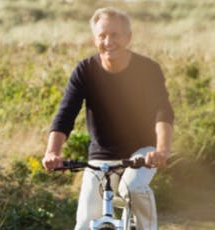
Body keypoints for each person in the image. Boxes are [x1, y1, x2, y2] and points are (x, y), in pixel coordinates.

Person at [40, 7, 174, 230]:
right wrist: (52, 152)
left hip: (141, 152)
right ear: (95, 39)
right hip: (100, 157)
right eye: (102, 35)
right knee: (84, 225)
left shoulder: (148, 69)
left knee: (132, 187)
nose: (108, 41)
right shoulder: (85, 71)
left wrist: (161, 150)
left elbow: (163, 111)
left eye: (115, 35)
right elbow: (65, 115)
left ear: (128, 38)